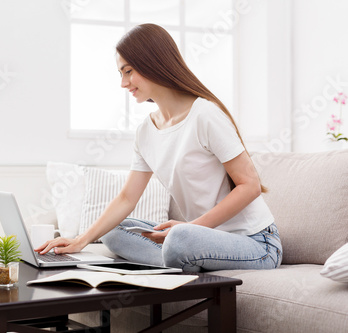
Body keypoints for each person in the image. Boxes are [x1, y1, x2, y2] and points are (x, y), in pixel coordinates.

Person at [35, 23, 282, 272]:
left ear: (152, 62)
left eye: (128, 71)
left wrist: (190, 228)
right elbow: (127, 198)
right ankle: (183, 260)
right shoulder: (146, 131)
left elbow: (249, 186)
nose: (123, 83)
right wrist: (80, 240)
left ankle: (182, 257)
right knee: (113, 231)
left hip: (256, 243)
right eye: (121, 73)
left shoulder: (204, 115)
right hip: (199, 238)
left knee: (179, 239)